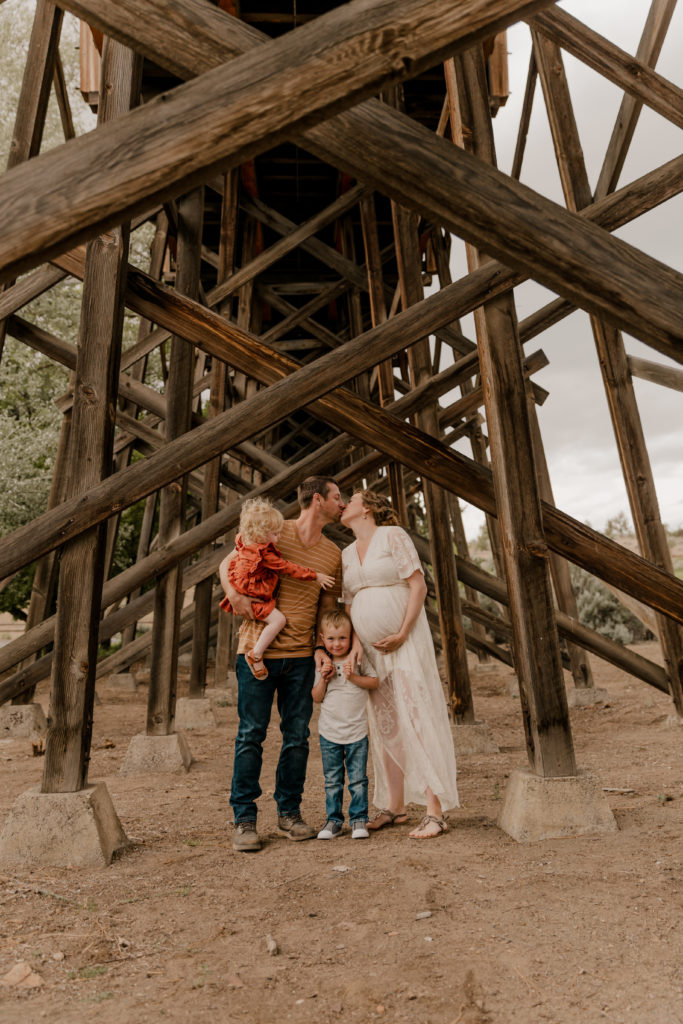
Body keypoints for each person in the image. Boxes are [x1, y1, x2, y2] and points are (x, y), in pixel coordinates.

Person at [219, 477, 344, 852]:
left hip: (302, 658)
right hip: (256, 653)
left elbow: (326, 607)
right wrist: (233, 594)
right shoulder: (276, 530)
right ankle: (244, 820)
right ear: (318, 499)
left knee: (296, 738)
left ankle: (289, 813)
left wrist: (323, 647)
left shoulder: (332, 553)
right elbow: (229, 560)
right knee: (251, 736)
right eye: (338, 497)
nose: (343, 503)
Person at [340, 489, 459, 839]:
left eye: (352, 499)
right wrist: (356, 644)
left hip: (404, 641)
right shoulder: (347, 553)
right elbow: (350, 604)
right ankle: (395, 806)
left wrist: (403, 632)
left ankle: (435, 811)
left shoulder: (393, 535)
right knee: (385, 722)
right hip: (371, 650)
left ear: (368, 509)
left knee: (416, 713)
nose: (345, 503)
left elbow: (418, 586)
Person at [220, 498, 335, 680]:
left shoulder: (245, 543)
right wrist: (315, 575)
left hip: (255, 597)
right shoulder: (264, 553)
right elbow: (287, 567)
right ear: (261, 533)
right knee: (278, 621)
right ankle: (256, 654)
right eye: (275, 534)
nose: (279, 538)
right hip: (255, 599)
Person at [311, 609, 378, 840]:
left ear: (351, 637)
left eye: (342, 638)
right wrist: (323, 679)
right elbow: (316, 697)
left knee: (358, 779)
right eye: (331, 639)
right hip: (329, 732)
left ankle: (359, 819)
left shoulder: (357, 658)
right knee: (332, 780)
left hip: (357, 731)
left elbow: (374, 681)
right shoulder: (322, 662)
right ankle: (334, 821)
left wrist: (353, 678)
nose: (337, 644)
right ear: (322, 639)